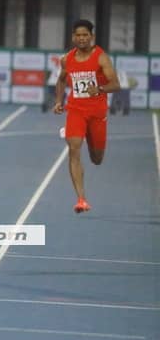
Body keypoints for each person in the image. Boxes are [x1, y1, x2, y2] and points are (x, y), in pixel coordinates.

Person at [53, 19, 119, 213]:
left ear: (92, 36)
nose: (81, 38)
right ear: (73, 37)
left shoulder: (101, 58)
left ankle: (88, 136)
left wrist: (98, 89)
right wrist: (58, 101)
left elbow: (115, 85)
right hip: (75, 110)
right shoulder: (67, 59)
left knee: (96, 158)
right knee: (74, 150)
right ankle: (81, 199)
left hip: (97, 113)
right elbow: (61, 80)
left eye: (85, 35)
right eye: (78, 35)